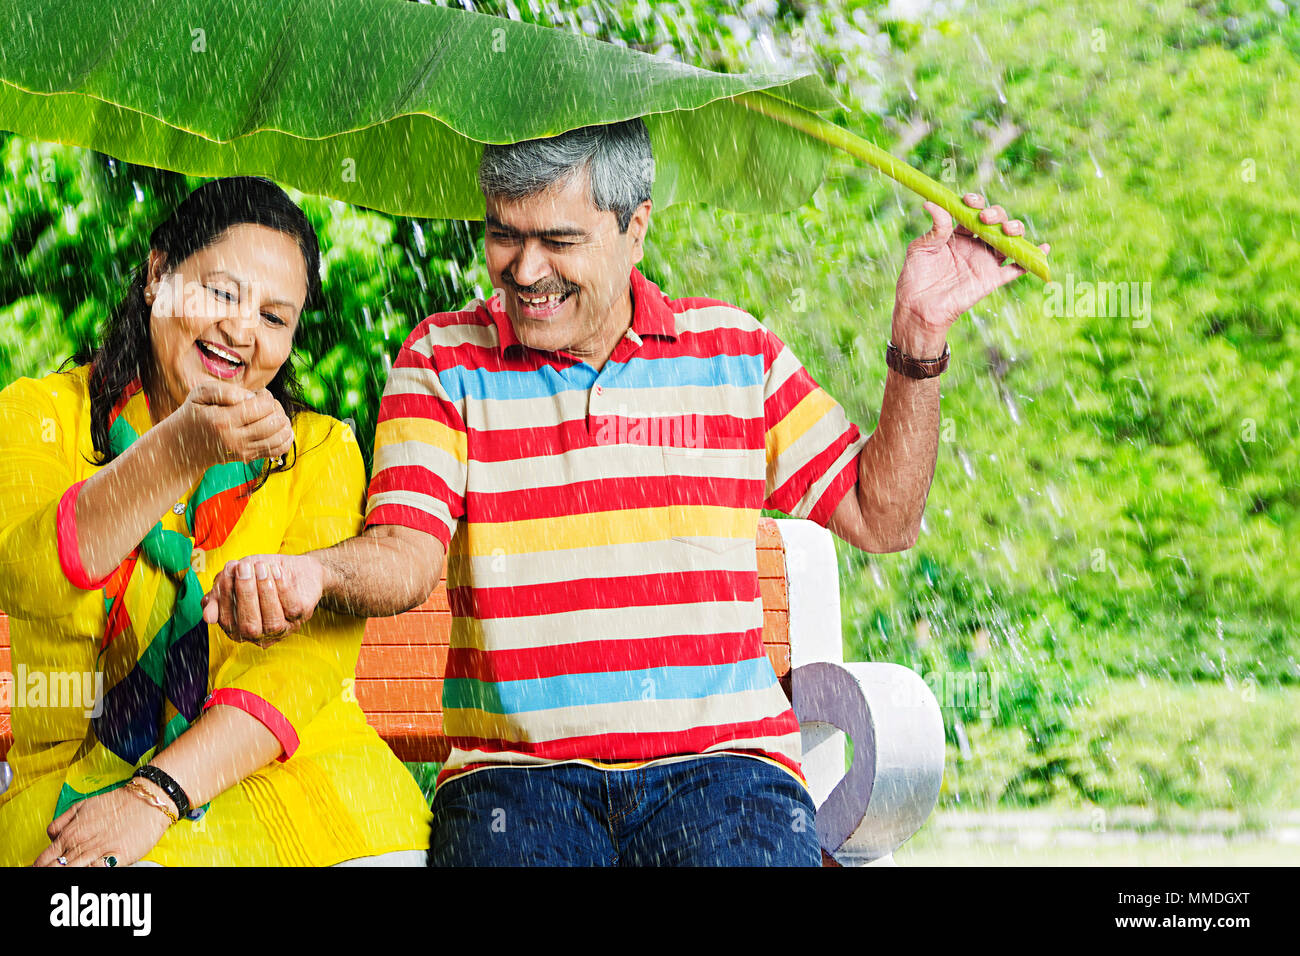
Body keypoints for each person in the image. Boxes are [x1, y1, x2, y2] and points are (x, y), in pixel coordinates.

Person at [204, 120, 1049, 866]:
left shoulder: (734, 353)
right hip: (517, 784)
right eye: (503, 235)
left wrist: (919, 337)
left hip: (724, 775)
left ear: (634, 228)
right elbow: (405, 553)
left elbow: (882, 516)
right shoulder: (443, 358)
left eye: (558, 240)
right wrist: (316, 574)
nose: (523, 270)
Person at [0, 176, 432, 867]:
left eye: (274, 317)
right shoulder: (37, 416)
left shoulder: (316, 453)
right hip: (79, 779)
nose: (241, 330)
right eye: (223, 294)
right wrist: (183, 448)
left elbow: (298, 669)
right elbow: (34, 582)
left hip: (293, 779)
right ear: (156, 275)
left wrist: (156, 795)